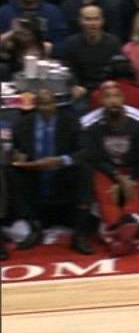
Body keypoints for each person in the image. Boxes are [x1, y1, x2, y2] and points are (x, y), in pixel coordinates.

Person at [6, 88, 85, 253]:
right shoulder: (22, 125)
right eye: (41, 104)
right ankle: (33, 226)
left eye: (49, 104)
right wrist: (19, 157)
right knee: (11, 171)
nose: (45, 108)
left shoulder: (70, 122)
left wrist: (61, 161)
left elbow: (85, 151)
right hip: (35, 176)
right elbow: (16, 151)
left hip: (62, 175)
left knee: (84, 168)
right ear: (36, 105)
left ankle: (79, 234)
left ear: (55, 104)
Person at [81, 81, 139, 255]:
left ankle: (127, 224)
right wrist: (117, 177)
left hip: (134, 170)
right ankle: (114, 228)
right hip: (107, 170)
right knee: (100, 183)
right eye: (108, 97)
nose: (113, 101)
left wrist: (129, 179)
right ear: (100, 101)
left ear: (123, 99)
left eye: (116, 96)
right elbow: (93, 157)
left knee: (136, 193)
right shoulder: (89, 123)